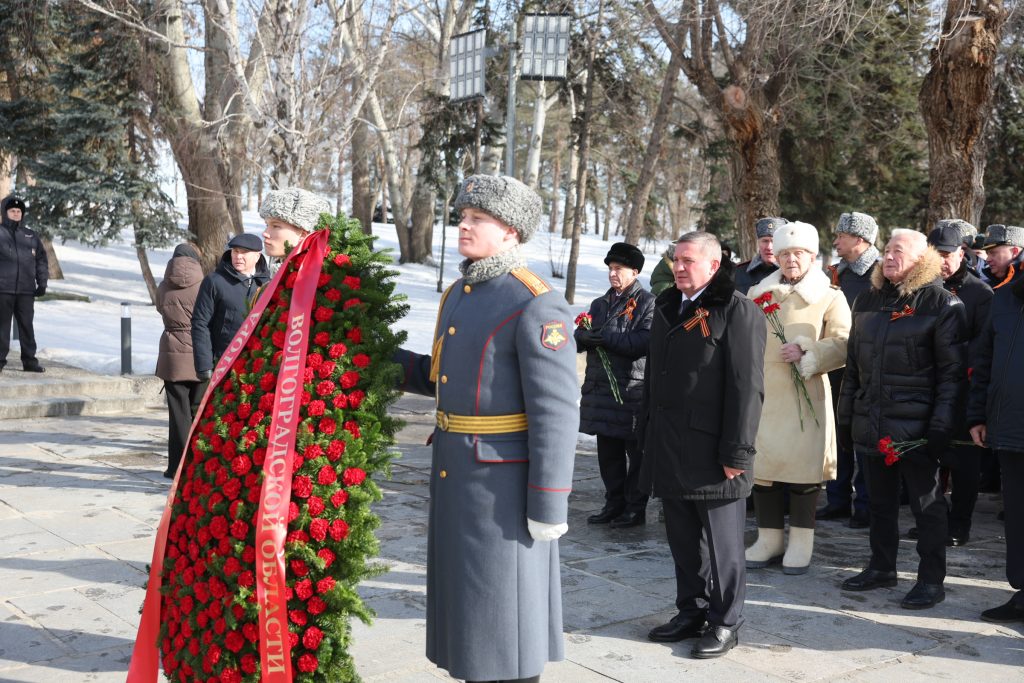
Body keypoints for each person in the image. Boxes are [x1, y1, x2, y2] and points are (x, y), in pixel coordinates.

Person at [394, 175, 578, 683]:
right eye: (463, 216)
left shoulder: (534, 301)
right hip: (458, 473)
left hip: (504, 488)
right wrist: (376, 353)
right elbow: (443, 377)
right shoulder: (461, 292)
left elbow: (557, 412)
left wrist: (548, 504)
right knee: (473, 619)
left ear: (511, 231)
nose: (464, 225)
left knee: (506, 620)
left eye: (478, 218)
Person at [639, 232, 766, 658]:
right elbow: (655, 376)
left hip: (714, 450)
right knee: (682, 538)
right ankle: (691, 610)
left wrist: (737, 452)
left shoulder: (737, 310)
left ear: (713, 265)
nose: (678, 267)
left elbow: (747, 388)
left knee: (723, 545)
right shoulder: (666, 305)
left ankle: (726, 621)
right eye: (675, 259)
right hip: (669, 444)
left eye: (688, 260)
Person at [837, 229, 967, 609]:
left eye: (899, 251)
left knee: (927, 506)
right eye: (887, 250)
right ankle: (881, 567)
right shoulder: (867, 299)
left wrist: (940, 426)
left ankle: (931, 580)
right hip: (873, 420)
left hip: (917, 428)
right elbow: (854, 366)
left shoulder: (942, 303)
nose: (889, 256)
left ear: (921, 259)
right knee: (878, 502)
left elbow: (952, 375)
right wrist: (846, 417)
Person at [744, 222, 851, 574]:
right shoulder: (757, 292)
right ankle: (769, 539)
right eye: (786, 253)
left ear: (813, 256)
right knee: (764, 469)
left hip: (805, 394)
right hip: (764, 394)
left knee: (803, 472)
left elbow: (844, 342)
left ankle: (802, 542)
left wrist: (809, 352)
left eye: (799, 253)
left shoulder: (830, 295)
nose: (792, 260)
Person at [922, 222, 992, 546]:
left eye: (947, 254)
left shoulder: (980, 293)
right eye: (934, 254)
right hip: (929, 386)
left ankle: (959, 524)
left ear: (961, 254)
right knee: (930, 458)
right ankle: (934, 518)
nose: (941, 261)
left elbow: (983, 343)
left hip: (964, 387)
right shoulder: (922, 288)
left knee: (964, 462)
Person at [578, 242, 656, 528]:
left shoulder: (648, 303)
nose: (613, 273)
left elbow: (644, 341)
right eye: (610, 268)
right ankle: (613, 504)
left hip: (630, 393)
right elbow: (581, 334)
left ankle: (635, 508)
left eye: (619, 268)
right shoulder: (600, 304)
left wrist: (605, 338)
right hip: (601, 392)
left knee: (635, 454)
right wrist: (582, 337)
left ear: (634, 272)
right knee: (608, 455)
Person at [967, 264, 1024, 624]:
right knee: (1017, 517)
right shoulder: (1004, 299)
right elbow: (984, 361)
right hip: (1010, 429)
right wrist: (977, 415)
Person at [819, 211, 880, 529]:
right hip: (837, 363)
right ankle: (837, 499)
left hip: (869, 366)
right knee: (838, 432)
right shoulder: (834, 274)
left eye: (841, 235)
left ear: (860, 239)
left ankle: (866, 505)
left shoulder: (881, 274)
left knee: (865, 436)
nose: (836, 241)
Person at [191, 233, 270, 381]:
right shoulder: (214, 281)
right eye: (235, 251)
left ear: (257, 256)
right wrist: (204, 365)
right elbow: (200, 323)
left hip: (257, 367)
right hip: (222, 363)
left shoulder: (268, 285)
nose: (238, 256)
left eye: (244, 252)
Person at [154, 243, 204, 479]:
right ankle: (197, 465)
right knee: (199, 413)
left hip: (172, 355)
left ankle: (176, 467)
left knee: (177, 416)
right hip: (199, 354)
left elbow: (159, 308)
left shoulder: (163, 286)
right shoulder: (205, 284)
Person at [0, 195, 48, 373]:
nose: (16, 213)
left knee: (27, 326)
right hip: (3, 290)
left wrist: (42, 283)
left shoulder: (30, 235)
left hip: (26, 291)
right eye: (12, 211)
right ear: (5, 213)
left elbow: (41, 260)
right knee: (2, 328)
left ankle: (30, 362)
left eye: (19, 211)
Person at [260, 187, 331, 265]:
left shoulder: (317, 272)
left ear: (304, 235)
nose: (265, 233)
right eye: (267, 225)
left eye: (275, 226)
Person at [735, 217, 787, 294]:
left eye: (774, 241)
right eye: (765, 241)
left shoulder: (791, 271)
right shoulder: (739, 273)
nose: (769, 247)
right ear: (758, 243)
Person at [979, 224, 1024, 288]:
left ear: (1014, 252)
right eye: (987, 254)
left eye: (993, 253)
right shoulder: (985, 286)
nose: (987, 259)